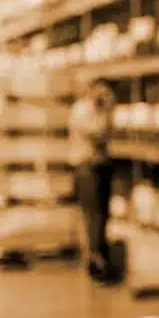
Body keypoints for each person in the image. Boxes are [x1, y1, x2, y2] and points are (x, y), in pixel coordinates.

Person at [68, 78, 117, 283]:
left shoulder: (101, 110)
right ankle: (95, 263)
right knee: (93, 216)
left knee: (102, 216)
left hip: (100, 168)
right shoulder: (82, 110)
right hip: (86, 169)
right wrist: (107, 111)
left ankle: (99, 260)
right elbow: (98, 133)